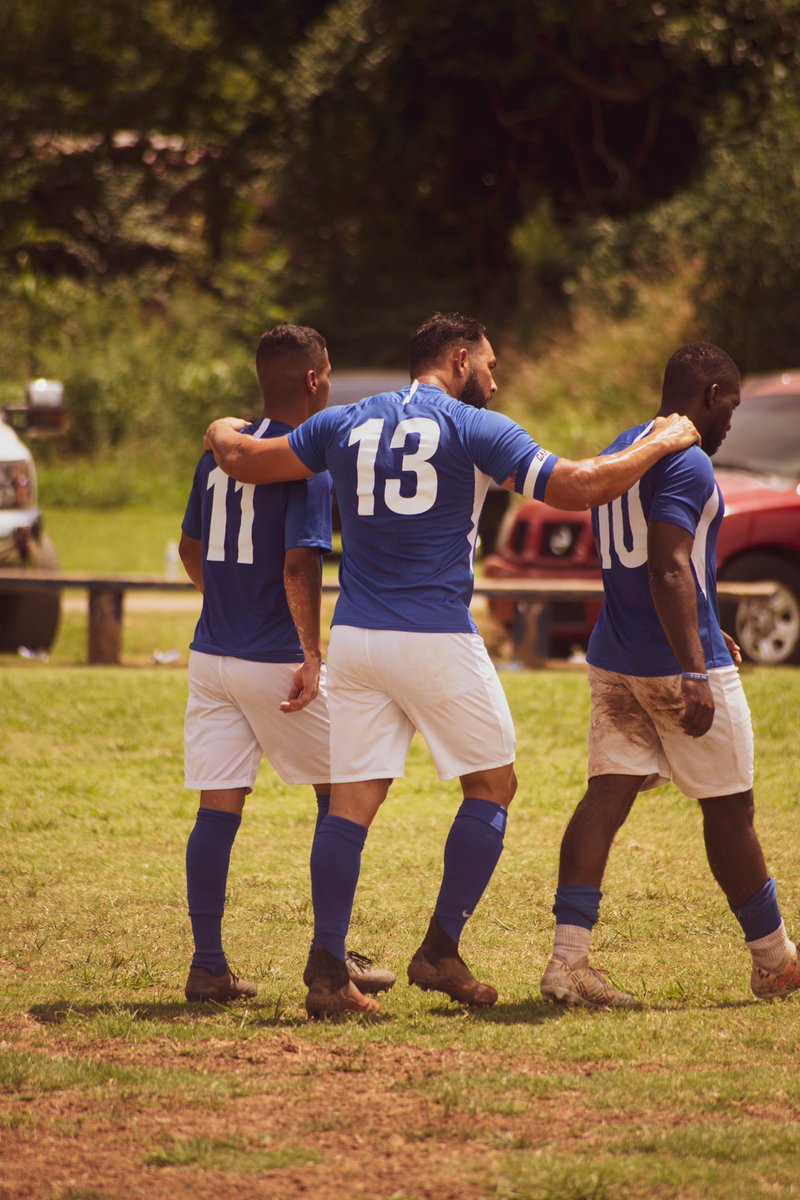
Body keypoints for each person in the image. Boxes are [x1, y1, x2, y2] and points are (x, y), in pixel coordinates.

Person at [204, 312, 700, 1018]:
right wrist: (662, 439)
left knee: (351, 806)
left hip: (358, 640)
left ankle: (325, 969)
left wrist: (219, 427)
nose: (494, 380)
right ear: (459, 358)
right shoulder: (474, 428)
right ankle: (439, 949)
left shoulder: (347, 421)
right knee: (493, 785)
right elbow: (580, 485)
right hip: (435, 633)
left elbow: (246, 459)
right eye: (490, 365)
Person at [540, 342, 800, 1008]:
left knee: (606, 798)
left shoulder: (624, 446)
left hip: (615, 654)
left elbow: (648, 569)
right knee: (731, 809)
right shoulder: (685, 461)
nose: (730, 425)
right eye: (732, 407)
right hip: (671, 665)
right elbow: (667, 564)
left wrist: (708, 629)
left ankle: (567, 963)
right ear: (709, 394)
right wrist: (694, 664)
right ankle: (775, 962)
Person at [180, 323, 395, 1002]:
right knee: (348, 787)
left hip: (211, 654)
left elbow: (190, 549)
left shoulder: (220, 452)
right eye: (327, 373)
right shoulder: (306, 459)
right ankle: (330, 960)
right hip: (272, 657)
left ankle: (208, 964)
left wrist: (229, 605)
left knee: (218, 808)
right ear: (313, 381)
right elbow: (300, 560)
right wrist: (309, 651)